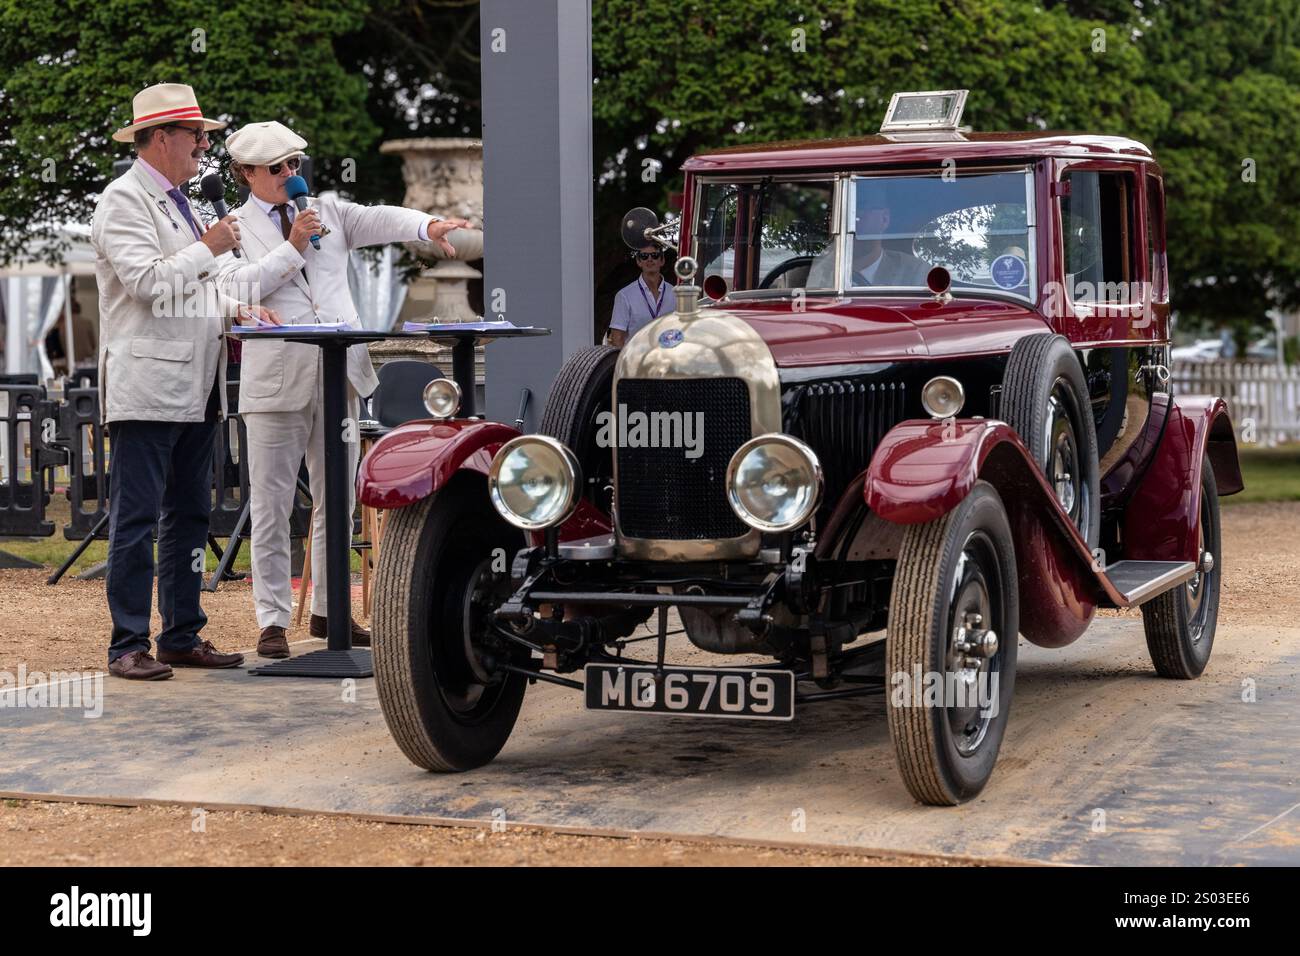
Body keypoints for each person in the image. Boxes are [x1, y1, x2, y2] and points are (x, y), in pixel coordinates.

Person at [217, 121, 470, 658]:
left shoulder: (328, 211)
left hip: (340, 375)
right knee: (272, 502)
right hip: (276, 381)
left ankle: (331, 612)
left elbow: (380, 217)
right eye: (276, 168)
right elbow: (237, 289)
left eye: (294, 164)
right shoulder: (232, 228)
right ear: (245, 174)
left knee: (338, 499)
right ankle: (271, 620)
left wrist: (427, 226)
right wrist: (292, 246)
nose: (290, 175)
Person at [93, 82, 279, 680]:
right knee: (138, 518)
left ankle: (180, 633)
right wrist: (209, 246)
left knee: (191, 514)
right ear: (162, 137)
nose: (205, 145)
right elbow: (149, 284)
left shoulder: (182, 202)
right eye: (197, 135)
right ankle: (127, 644)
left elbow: (199, 289)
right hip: (147, 386)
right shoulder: (123, 200)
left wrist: (238, 308)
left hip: (197, 385)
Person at [607, 243, 677, 347]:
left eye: (655, 255)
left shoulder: (675, 293)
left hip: (666, 359)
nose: (649, 259)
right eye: (644, 256)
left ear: (662, 261)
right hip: (636, 360)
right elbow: (617, 338)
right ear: (638, 262)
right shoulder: (624, 295)